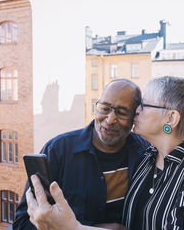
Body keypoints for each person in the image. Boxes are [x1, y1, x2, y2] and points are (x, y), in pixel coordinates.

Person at [26, 76, 184, 230]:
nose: (137, 112)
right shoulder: (148, 155)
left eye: (143, 105)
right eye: (105, 108)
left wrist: (75, 228)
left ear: (171, 118)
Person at [14, 79, 149, 229]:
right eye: (105, 108)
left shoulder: (145, 153)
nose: (110, 120)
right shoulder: (58, 150)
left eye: (122, 112)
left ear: (135, 117)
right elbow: (23, 223)